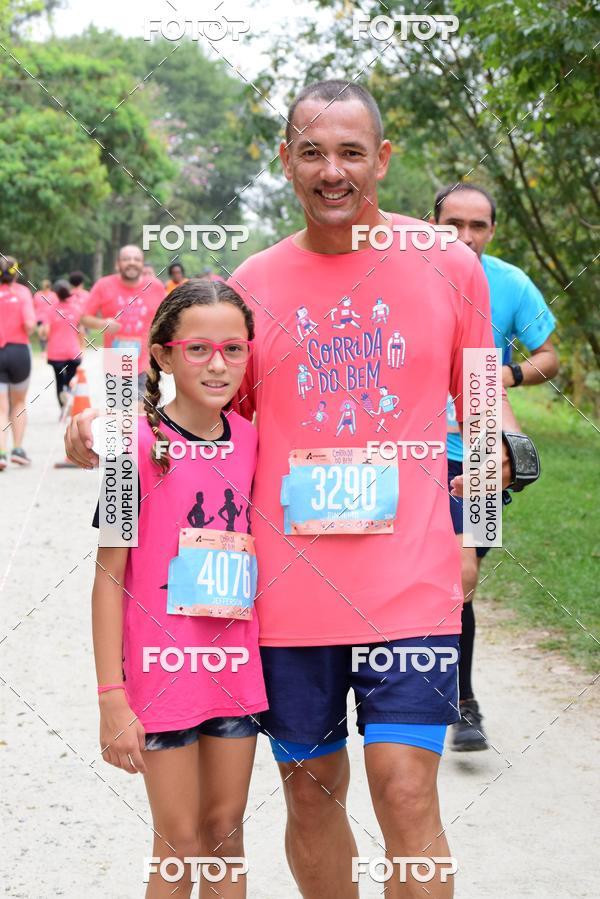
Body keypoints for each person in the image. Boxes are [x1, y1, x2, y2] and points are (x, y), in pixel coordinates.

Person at [66, 82, 525, 898]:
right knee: (314, 802)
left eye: (352, 151)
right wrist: (107, 422)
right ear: (286, 161)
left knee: (408, 790)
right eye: (312, 151)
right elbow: (205, 412)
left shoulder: (451, 265)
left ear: (382, 158)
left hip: (411, 588)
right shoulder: (257, 279)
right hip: (283, 603)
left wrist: (474, 539)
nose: (332, 170)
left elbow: (484, 409)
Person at [91, 279, 267, 897]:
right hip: (160, 669)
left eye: (234, 349)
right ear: (163, 355)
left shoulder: (252, 440)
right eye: (197, 349)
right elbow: (109, 574)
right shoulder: (130, 447)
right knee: (179, 840)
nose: (218, 365)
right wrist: (112, 695)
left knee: (224, 830)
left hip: (234, 665)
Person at [433, 183, 559, 751]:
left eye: (477, 225)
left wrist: (504, 376)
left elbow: (549, 355)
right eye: (451, 223)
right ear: (429, 224)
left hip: (484, 447)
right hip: (406, 450)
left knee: (460, 579)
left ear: (492, 230)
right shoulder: (400, 273)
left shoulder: (509, 283)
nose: (464, 236)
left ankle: (462, 703)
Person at [81, 245, 164, 397]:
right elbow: (84, 318)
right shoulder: (104, 285)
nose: (131, 262)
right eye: (126, 259)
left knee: (142, 413)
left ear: (142, 263)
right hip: (116, 361)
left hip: (147, 362)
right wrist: (102, 323)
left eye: (136, 259)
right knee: (121, 415)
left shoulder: (155, 286)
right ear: (117, 263)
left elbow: (167, 318)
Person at [0, 256, 35, 468]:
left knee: (0, 408)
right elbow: (30, 325)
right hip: (19, 352)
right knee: (19, 402)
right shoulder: (22, 292)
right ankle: (18, 450)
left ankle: (1, 453)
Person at [38, 280, 83, 415]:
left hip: (56, 354)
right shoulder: (76, 309)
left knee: (59, 380)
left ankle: (63, 405)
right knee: (70, 378)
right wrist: (82, 348)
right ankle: (68, 392)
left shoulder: (51, 309)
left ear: (55, 293)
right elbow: (81, 331)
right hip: (73, 353)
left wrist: (42, 332)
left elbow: (45, 332)